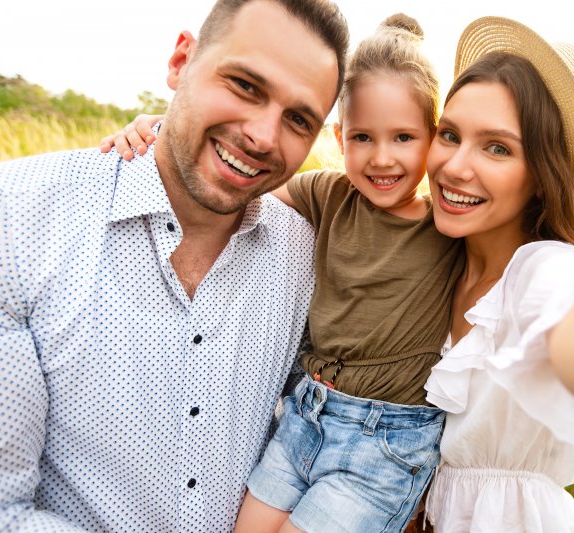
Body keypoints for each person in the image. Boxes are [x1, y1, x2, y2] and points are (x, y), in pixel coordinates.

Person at [102, 14, 462, 533]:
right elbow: (231, 177)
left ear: (434, 138)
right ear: (339, 138)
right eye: (363, 137)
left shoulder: (445, 226)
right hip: (305, 416)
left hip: (386, 439)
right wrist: (160, 129)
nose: (381, 158)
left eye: (404, 137)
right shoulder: (330, 196)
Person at [0, 1, 348, 531]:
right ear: (182, 60)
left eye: (298, 119)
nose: (262, 137)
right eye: (245, 85)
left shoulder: (305, 254)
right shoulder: (19, 218)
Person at [420, 17, 574, 531]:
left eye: (497, 148)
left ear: (542, 176)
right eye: (449, 134)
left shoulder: (543, 269)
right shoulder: (430, 258)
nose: (454, 166)